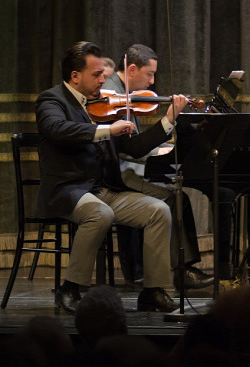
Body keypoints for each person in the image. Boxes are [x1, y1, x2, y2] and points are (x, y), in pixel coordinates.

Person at [36, 41, 188, 313]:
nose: (103, 80)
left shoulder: (103, 105)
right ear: (75, 76)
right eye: (96, 75)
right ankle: (70, 288)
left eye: (102, 75)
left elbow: (133, 147)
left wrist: (169, 120)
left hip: (103, 189)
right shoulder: (52, 100)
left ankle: (153, 290)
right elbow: (58, 129)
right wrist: (106, 129)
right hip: (68, 189)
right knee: (100, 214)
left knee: (159, 210)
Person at [102, 44, 214, 289]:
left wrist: (159, 151)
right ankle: (182, 270)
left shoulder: (123, 92)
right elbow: (131, 148)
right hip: (115, 176)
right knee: (175, 198)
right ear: (132, 69)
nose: (152, 82)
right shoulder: (111, 95)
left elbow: (132, 145)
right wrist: (169, 118)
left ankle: (180, 268)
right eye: (149, 74)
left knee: (176, 195)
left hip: (127, 167)